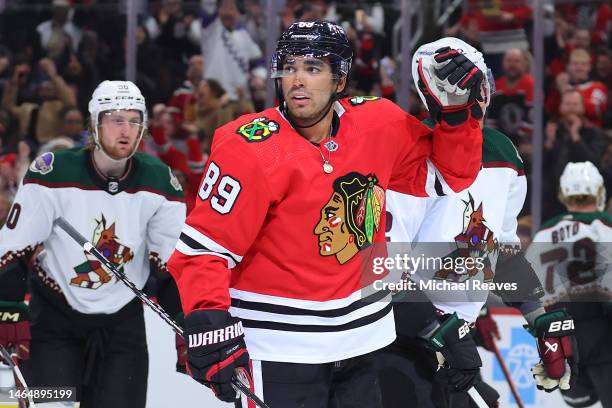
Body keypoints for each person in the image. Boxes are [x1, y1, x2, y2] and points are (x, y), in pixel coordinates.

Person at [167, 21, 485, 407]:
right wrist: (209, 320)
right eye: (290, 67)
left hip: (363, 340)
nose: (297, 80)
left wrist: (456, 116)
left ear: (339, 80)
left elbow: (447, 177)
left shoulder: (378, 124)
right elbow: (204, 250)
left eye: (313, 68)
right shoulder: (247, 148)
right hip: (279, 347)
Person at [379, 37, 575, 408]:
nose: (479, 93)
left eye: (477, 82)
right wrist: (436, 328)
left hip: (452, 338)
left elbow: (501, 248)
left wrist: (538, 316)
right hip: (401, 340)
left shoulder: (504, 153)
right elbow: (383, 270)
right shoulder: (408, 151)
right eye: (463, 84)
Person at [0, 80, 186, 408]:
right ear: (94, 123)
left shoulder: (160, 182)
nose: (126, 130)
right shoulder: (52, 174)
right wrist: (9, 310)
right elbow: (12, 250)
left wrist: (190, 324)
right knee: (48, 405)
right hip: (52, 323)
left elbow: (173, 268)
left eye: (134, 120)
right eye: (115, 119)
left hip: (121, 326)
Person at [526, 161, 612, 408]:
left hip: (563, 339)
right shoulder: (604, 226)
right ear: (599, 191)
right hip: (603, 335)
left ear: (564, 194)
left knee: (581, 403)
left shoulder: (543, 233)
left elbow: (528, 291)